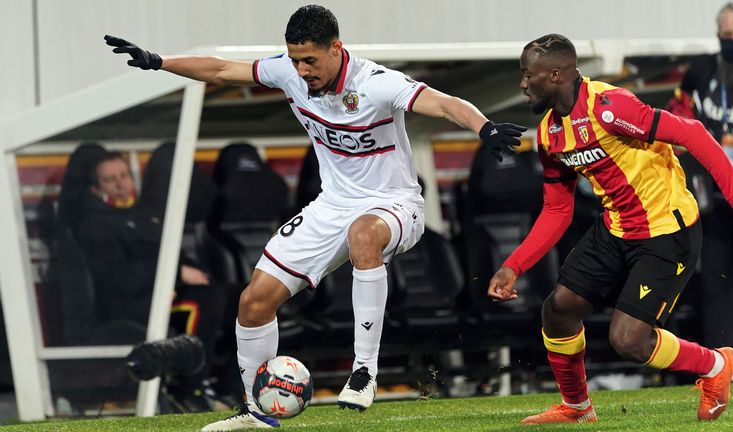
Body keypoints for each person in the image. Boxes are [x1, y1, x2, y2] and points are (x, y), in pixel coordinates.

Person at [106, 4, 525, 430]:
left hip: (394, 203)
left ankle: (364, 372)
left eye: (310, 60)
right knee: (254, 302)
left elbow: (442, 102)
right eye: (294, 60)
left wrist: (485, 127)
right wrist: (160, 62)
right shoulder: (289, 73)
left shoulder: (377, 83)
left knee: (364, 235)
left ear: (336, 48)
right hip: (331, 206)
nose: (302, 70)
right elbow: (219, 69)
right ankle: (256, 413)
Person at [487, 34, 733, 425]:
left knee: (628, 341)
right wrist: (514, 266)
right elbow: (557, 209)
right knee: (559, 309)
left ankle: (716, 363)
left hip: (666, 232)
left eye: (526, 75)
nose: (522, 84)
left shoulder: (609, 107)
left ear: (554, 75)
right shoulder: (550, 136)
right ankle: (578, 409)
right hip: (616, 227)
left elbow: (693, 133)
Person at [75, 150, 228, 412]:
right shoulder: (94, 225)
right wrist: (174, 276)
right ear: (96, 187)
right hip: (126, 306)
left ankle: (232, 385)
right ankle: (190, 384)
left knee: (233, 295)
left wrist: (192, 274)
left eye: (123, 175)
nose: (121, 183)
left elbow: (177, 256)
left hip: (164, 293)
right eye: (110, 179)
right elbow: (118, 280)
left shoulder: (145, 214)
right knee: (205, 303)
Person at [669, 2, 733, 351]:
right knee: (715, 281)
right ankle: (721, 367)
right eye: (727, 36)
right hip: (713, 193)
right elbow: (677, 120)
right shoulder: (701, 70)